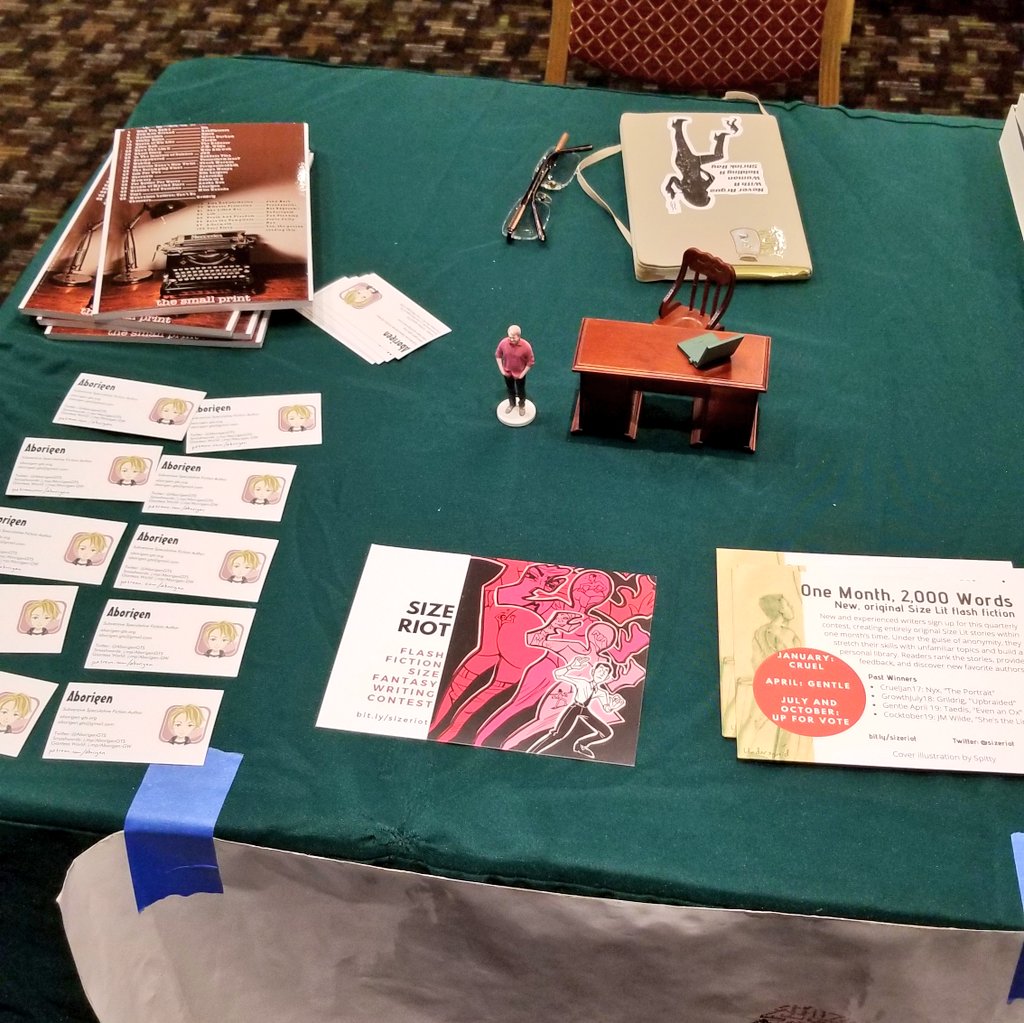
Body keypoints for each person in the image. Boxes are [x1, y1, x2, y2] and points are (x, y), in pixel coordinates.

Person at [494, 324, 534, 416]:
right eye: (510, 337)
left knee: (521, 390)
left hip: (520, 374)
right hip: (507, 373)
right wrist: (502, 369)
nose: (511, 339)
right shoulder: (503, 343)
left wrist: (523, 374)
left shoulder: (526, 346)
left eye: (513, 338)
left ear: (519, 336)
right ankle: (512, 403)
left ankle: (521, 405)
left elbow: (530, 362)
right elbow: (498, 355)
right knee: (510, 389)